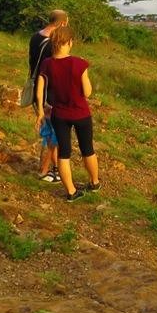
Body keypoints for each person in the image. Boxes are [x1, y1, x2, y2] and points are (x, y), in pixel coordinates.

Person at [36, 25, 99, 201]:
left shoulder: (47, 64)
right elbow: (87, 93)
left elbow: (40, 90)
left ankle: (71, 192)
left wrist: (41, 112)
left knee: (64, 152)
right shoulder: (79, 63)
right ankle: (94, 182)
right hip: (81, 113)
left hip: (60, 116)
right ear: (70, 42)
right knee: (87, 150)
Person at [29, 10, 68, 182]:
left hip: (36, 87)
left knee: (49, 132)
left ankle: (54, 170)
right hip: (48, 93)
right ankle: (45, 171)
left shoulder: (35, 37)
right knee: (53, 134)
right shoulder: (53, 44)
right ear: (62, 23)